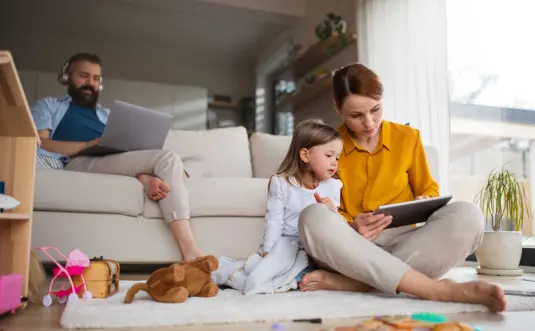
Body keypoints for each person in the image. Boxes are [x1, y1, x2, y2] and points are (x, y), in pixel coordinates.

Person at [297, 63, 506, 313]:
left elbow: (428, 189)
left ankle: (358, 283)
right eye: (356, 116)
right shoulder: (326, 146)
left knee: (468, 214)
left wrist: (422, 200)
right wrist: (350, 225)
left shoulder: (408, 138)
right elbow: (321, 200)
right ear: (337, 108)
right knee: (312, 216)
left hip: (406, 242)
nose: (369, 122)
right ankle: (433, 289)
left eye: (376, 109)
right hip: (351, 248)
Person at [30, 53, 203, 261]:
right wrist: (87, 144)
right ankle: (191, 252)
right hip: (76, 162)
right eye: (84, 76)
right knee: (168, 159)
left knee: (170, 161)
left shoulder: (107, 115)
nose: (90, 83)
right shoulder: (49, 105)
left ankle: (143, 177)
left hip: (107, 160)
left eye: (96, 78)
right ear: (67, 77)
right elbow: (42, 142)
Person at [212, 119, 343, 294]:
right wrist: (268, 250)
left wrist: (330, 211)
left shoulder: (333, 186)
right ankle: (224, 271)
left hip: (313, 248)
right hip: (285, 243)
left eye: (337, 157)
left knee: (298, 271)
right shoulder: (282, 183)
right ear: (305, 155)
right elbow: (274, 220)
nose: (335, 162)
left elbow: (336, 227)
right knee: (266, 269)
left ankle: (271, 280)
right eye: (329, 155)